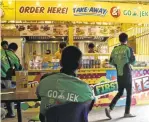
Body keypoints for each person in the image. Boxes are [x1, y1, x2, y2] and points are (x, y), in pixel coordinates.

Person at [37, 46, 94, 122]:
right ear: (80, 65)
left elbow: (39, 95)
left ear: (60, 63)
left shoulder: (44, 82)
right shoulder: (87, 90)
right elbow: (88, 107)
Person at [105, 33, 136, 119]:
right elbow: (133, 61)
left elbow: (111, 62)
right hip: (127, 73)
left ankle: (109, 108)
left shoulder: (115, 49)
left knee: (120, 92)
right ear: (127, 39)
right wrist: (129, 64)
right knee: (129, 93)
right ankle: (127, 112)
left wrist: (118, 65)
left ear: (119, 40)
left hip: (119, 73)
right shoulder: (128, 49)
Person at [1, 42, 22, 118]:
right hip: (6, 78)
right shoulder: (13, 55)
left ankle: (1, 114)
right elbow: (19, 67)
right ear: (15, 49)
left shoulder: (0, 52)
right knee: (9, 95)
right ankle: (11, 113)